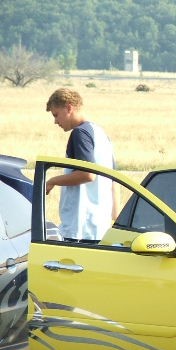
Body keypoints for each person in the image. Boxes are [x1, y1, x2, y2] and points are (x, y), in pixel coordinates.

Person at [45, 88, 116, 243]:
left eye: (56, 115)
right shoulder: (101, 134)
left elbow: (88, 175)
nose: (56, 121)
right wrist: (115, 218)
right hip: (99, 228)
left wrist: (52, 181)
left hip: (80, 228)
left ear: (69, 107)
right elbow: (112, 180)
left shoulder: (80, 133)